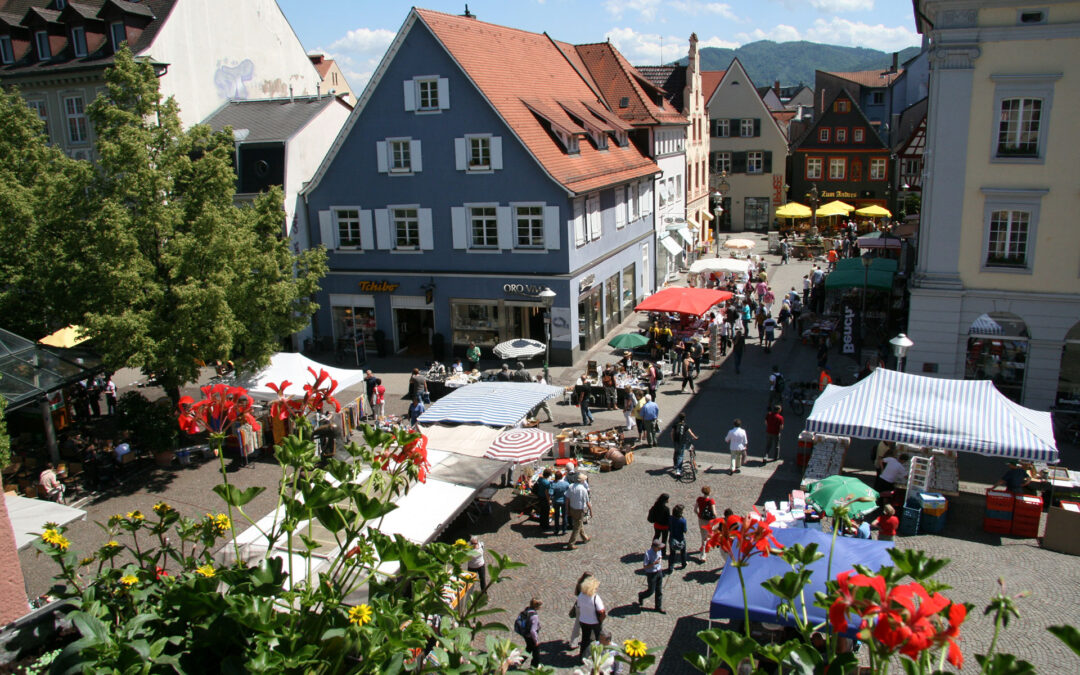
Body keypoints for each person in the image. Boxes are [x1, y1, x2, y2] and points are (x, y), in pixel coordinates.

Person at [576, 576, 606, 660]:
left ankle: (583, 657)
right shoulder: (595, 598)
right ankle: (599, 656)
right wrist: (601, 620)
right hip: (595, 622)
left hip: (583, 621)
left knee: (585, 640)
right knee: (599, 639)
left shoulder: (581, 595)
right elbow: (601, 611)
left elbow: (578, 606)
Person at [635, 539, 665, 614]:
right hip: (651, 574)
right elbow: (645, 566)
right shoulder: (648, 554)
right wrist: (654, 563)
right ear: (654, 547)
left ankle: (658, 607)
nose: (660, 549)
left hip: (659, 571)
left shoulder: (659, 551)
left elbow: (660, 557)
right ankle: (641, 595)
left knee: (659, 590)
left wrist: (659, 562)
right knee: (650, 591)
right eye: (659, 547)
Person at [566, 473, 591, 549]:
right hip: (579, 509)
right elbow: (587, 502)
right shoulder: (583, 489)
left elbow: (567, 499)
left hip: (572, 508)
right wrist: (591, 511)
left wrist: (567, 509)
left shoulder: (571, 487)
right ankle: (571, 543)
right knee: (577, 527)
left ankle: (584, 537)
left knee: (579, 523)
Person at [671, 412, 698, 477]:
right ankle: (678, 470)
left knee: (676, 452)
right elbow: (690, 432)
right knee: (680, 455)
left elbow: (672, 432)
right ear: (684, 418)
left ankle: (675, 465)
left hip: (676, 441)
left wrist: (673, 439)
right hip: (682, 442)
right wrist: (695, 437)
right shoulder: (685, 425)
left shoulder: (675, 424)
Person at [694, 486, 717, 560]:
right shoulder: (711, 501)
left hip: (701, 520)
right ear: (709, 492)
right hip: (708, 521)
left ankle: (703, 547)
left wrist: (699, 515)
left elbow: (695, 509)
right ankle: (703, 553)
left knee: (703, 535)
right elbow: (714, 513)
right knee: (707, 537)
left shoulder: (699, 499)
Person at [518, 598, 542, 666]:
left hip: (526, 634)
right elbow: (533, 631)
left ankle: (519, 661)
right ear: (537, 606)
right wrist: (536, 641)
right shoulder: (534, 616)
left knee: (529, 648)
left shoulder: (527, 610)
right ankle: (534, 666)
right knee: (536, 653)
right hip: (531, 637)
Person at [667, 505, 688, 571]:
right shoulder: (683, 521)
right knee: (683, 552)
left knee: (672, 553)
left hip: (672, 537)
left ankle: (670, 567)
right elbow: (685, 530)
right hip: (680, 538)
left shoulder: (670, 518)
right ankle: (683, 563)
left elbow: (669, 527)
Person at [549, 471, 570, 536]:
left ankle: (557, 529)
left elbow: (551, 493)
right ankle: (564, 530)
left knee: (556, 516)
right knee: (564, 515)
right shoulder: (566, 484)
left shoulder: (554, 484)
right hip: (564, 501)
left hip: (556, 501)